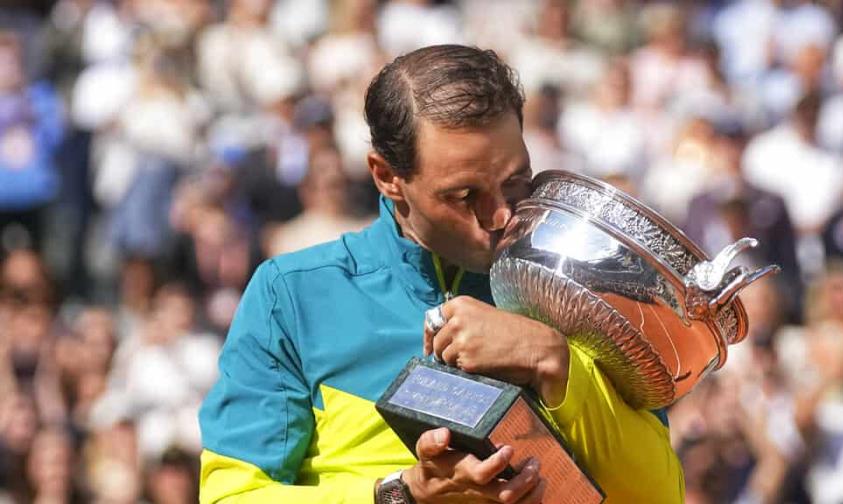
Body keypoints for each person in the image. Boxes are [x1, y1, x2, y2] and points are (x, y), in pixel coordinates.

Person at [198, 45, 683, 503]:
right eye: (464, 196)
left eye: (515, 181)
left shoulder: (585, 290)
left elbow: (661, 495)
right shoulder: (292, 294)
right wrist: (401, 493)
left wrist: (551, 360)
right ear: (387, 176)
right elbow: (232, 494)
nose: (500, 216)